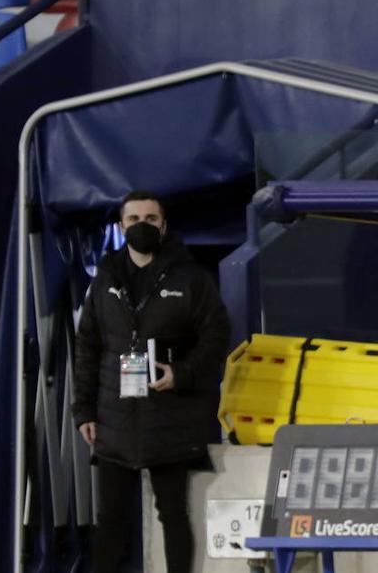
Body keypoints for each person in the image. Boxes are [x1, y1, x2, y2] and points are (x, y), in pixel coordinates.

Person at [72, 190, 232, 573]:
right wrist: (84, 411)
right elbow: (87, 347)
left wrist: (181, 374)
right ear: (121, 226)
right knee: (110, 518)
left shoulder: (191, 278)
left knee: (173, 514)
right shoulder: (105, 278)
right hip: (114, 415)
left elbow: (216, 337)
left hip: (171, 416)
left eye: (150, 219)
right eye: (133, 220)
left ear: (164, 226)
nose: (142, 226)